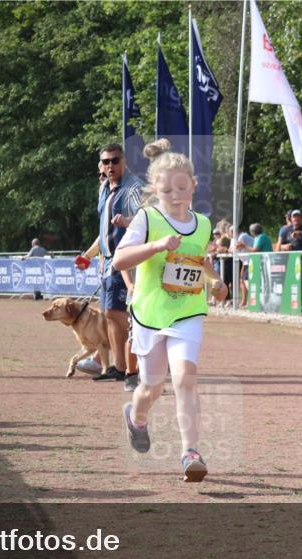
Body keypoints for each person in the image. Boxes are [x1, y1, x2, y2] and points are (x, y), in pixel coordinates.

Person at [112, 138, 227, 482]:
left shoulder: (203, 224)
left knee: (184, 378)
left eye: (182, 188)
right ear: (155, 190)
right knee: (151, 388)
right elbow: (119, 259)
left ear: (194, 185)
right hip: (150, 314)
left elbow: (199, 261)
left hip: (188, 311)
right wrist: (156, 246)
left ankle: (190, 452)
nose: (175, 196)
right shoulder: (147, 219)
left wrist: (216, 281)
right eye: (166, 191)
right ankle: (136, 417)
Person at [76, 144, 144, 384]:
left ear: (124, 161)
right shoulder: (105, 188)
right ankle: (120, 366)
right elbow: (104, 230)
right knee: (109, 314)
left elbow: (144, 217)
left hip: (123, 259)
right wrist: (89, 255)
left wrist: (127, 220)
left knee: (116, 313)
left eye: (115, 160)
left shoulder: (132, 188)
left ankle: (143, 352)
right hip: (107, 262)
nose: (110, 165)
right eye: (106, 162)